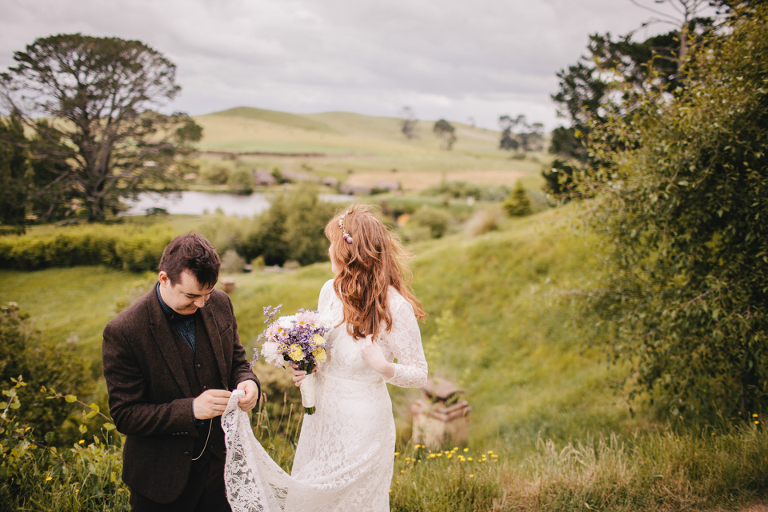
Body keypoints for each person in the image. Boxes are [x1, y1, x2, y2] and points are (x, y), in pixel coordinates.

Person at [221, 203, 428, 512]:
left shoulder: (395, 307)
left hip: (363, 425)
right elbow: (324, 348)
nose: (329, 250)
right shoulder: (329, 291)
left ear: (350, 251)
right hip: (322, 418)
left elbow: (419, 373)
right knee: (311, 501)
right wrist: (308, 366)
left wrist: (384, 367)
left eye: (333, 243)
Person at [102, 233, 260, 511]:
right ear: (164, 279)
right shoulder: (124, 332)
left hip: (222, 475)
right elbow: (126, 415)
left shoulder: (220, 303)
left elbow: (237, 361)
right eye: (191, 295)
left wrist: (248, 382)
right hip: (160, 483)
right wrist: (191, 410)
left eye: (206, 294)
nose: (201, 304)